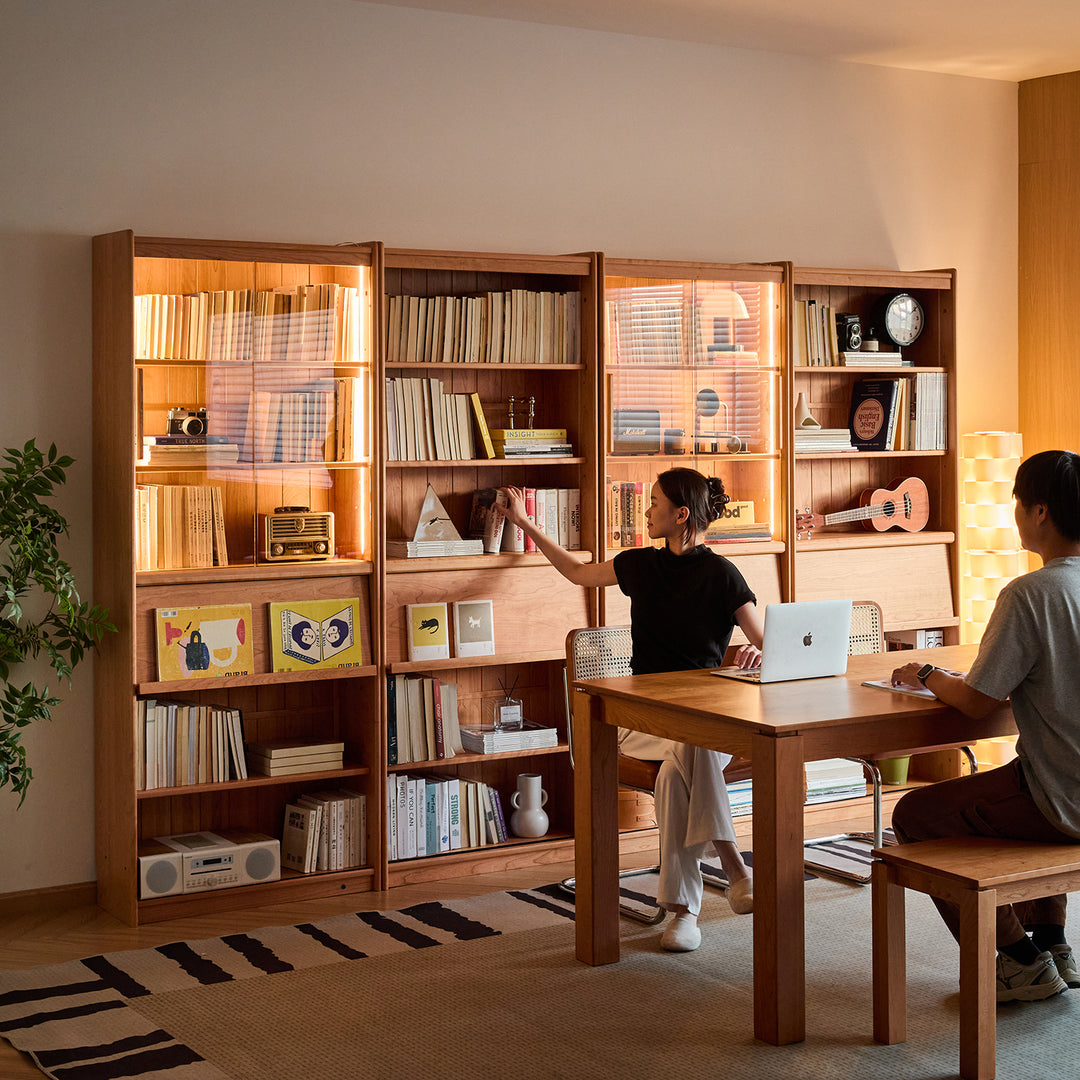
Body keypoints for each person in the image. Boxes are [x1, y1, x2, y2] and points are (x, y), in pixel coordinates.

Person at [502, 468, 764, 952]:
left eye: (655, 502)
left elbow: (768, 645)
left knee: (675, 770)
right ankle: (733, 865)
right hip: (641, 721)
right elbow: (577, 573)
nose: (646, 510)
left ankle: (682, 913)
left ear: (681, 514)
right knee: (688, 745)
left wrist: (757, 654)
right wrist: (524, 523)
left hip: (707, 723)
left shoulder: (722, 575)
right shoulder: (640, 565)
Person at [890, 449, 1080, 1002]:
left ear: (1040, 512)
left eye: (1018, 502)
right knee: (1025, 770)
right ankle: (1052, 943)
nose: (1015, 512)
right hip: (1067, 786)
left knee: (914, 813)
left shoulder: (1031, 594)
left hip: (1062, 802)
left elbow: (976, 702)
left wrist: (927, 672)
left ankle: (1018, 960)